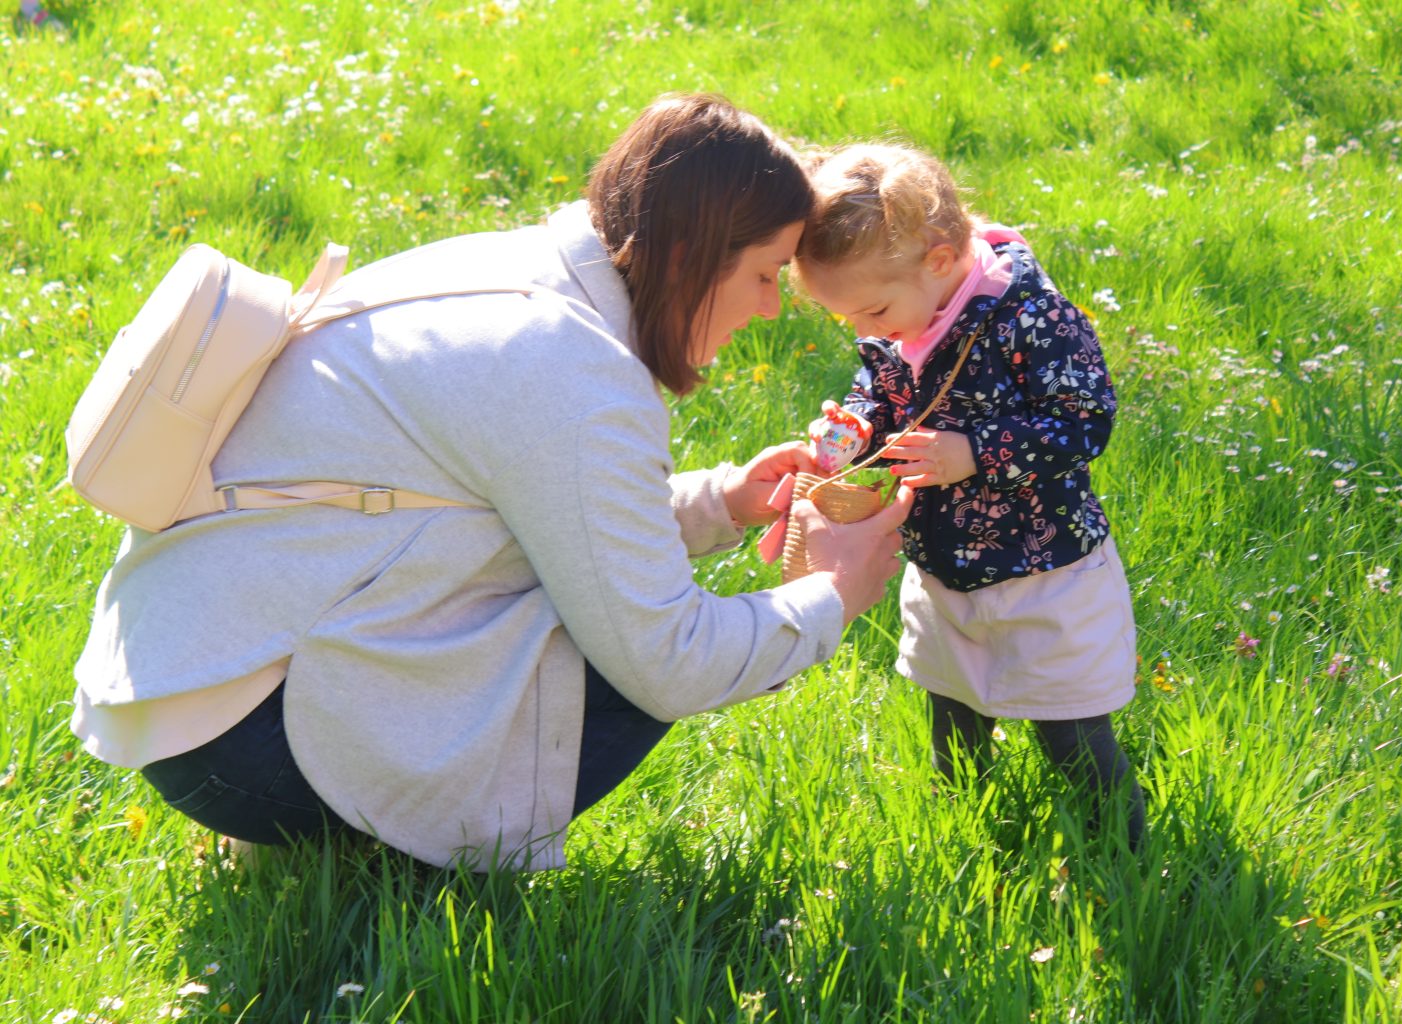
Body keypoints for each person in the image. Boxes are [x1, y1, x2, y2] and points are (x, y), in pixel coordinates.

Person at [71, 94, 912, 871]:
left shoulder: (517, 272)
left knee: (588, 602)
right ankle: (362, 844)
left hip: (187, 683)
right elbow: (669, 662)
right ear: (691, 256)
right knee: (617, 658)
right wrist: (828, 597)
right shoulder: (570, 369)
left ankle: (314, 820)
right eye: (765, 275)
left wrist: (721, 502)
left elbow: (530, 518)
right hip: (238, 739)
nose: (768, 310)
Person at [794, 143, 1145, 849]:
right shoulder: (904, 320)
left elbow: (1085, 419)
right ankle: (961, 824)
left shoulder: (1033, 321)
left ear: (942, 259)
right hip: (944, 565)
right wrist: (857, 425)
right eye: (852, 321)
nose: (867, 333)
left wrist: (977, 452)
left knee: (1070, 730)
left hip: (1043, 572)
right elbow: (882, 389)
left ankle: (1125, 847)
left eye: (874, 312)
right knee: (952, 716)